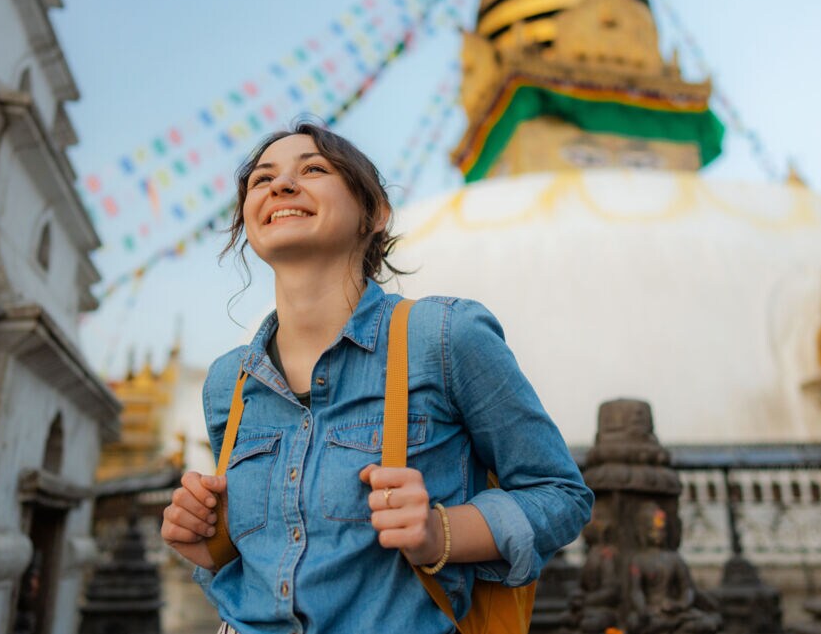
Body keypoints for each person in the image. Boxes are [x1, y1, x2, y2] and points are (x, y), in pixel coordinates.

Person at [160, 121, 592, 633]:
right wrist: (206, 542)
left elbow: (560, 494)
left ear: (375, 213)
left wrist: (440, 532)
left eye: (314, 169)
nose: (281, 185)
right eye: (262, 180)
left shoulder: (444, 337)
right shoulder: (229, 383)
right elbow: (267, 553)